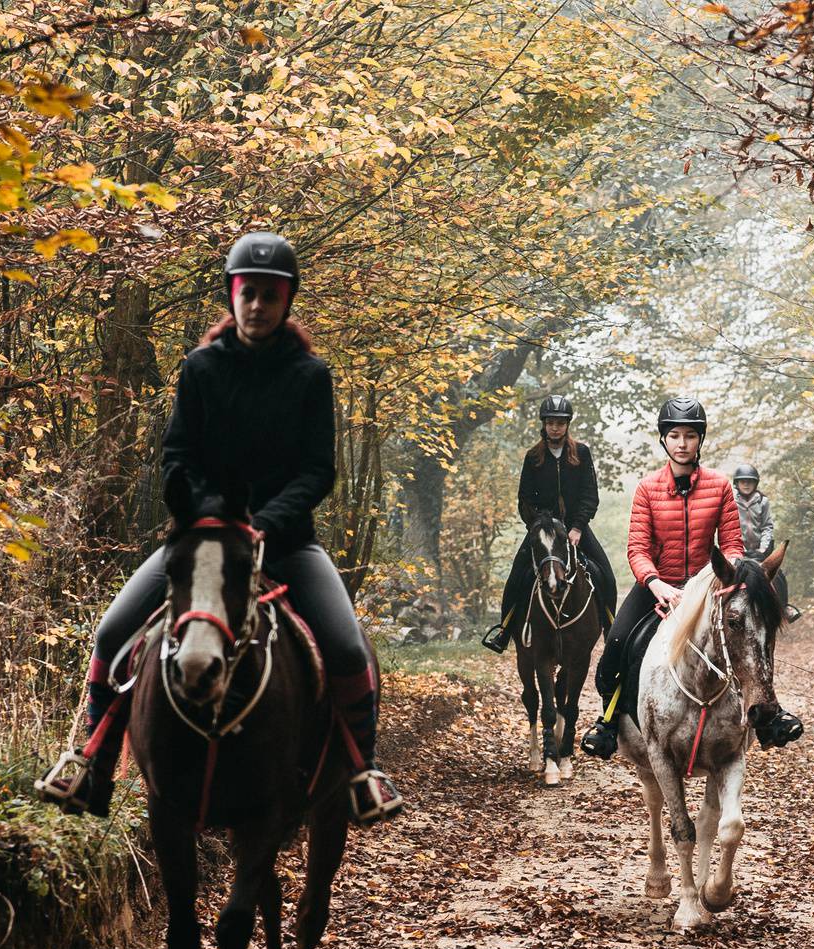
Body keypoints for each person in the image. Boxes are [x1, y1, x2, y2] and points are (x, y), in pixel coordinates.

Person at [38, 232, 404, 825]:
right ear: (232, 295)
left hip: (284, 543)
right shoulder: (200, 368)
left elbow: (317, 471)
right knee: (111, 634)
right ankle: (92, 765)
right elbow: (177, 455)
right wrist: (210, 515)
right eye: (247, 293)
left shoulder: (311, 376)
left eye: (269, 295)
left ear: (287, 301)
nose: (257, 305)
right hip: (204, 538)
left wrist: (263, 524)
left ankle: (362, 771)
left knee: (344, 645)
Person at [580, 397, 805, 760]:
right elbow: (637, 548)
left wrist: (724, 575)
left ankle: (768, 717)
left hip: (707, 586)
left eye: (689, 435)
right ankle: (607, 722)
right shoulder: (647, 488)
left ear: (699, 440)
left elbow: (732, 542)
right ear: (664, 440)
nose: (682, 443)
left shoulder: (719, 486)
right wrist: (657, 584)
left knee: (749, 640)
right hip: (658, 585)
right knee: (617, 644)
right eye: (674, 435)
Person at [482, 394, 617, 652]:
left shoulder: (582, 453)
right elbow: (524, 498)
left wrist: (577, 526)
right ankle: (504, 631)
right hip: (544, 529)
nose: (555, 427)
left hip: (576, 528)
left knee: (606, 576)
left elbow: (590, 495)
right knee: (516, 577)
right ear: (543, 424)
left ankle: (611, 631)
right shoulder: (533, 456)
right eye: (551, 422)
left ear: (567, 424)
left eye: (560, 422)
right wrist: (537, 525)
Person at [731, 462, 799, 621]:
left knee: (779, 575)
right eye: (743, 481)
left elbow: (767, 526)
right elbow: (730, 526)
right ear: (737, 484)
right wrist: (737, 548)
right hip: (739, 550)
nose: (746, 484)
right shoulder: (732, 502)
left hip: (760, 549)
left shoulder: (762, 501)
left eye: (750, 481)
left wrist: (763, 548)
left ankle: (784, 607)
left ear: (756, 483)